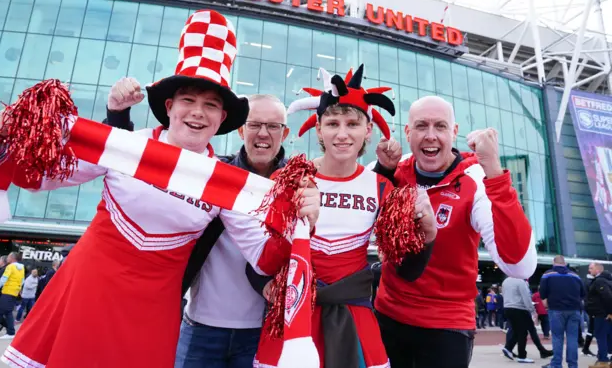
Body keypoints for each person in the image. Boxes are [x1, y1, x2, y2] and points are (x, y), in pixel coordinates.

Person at [0, 9, 320, 368]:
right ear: (169, 107)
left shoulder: (223, 180)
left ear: (222, 119)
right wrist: (12, 138)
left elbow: (264, 255)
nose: (197, 112)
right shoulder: (124, 145)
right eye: (188, 100)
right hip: (86, 293)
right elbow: (43, 178)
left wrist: (296, 214)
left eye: (210, 105)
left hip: (153, 314)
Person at [252, 64, 436, 368]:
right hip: (292, 316)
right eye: (333, 123)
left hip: (356, 318)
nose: (342, 134)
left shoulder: (382, 187)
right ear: (319, 128)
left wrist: (428, 235)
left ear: (368, 129)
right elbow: (258, 253)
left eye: (352, 124)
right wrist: (263, 282)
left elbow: (407, 270)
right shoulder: (288, 177)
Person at [106, 86, 292, 368]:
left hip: (265, 330)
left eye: (273, 126)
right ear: (241, 130)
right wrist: (118, 117)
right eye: (254, 124)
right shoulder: (213, 174)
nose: (263, 133)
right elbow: (149, 163)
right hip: (200, 326)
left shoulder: (300, 184)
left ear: (284, 133)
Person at [372, 95, 537, 368]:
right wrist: (383, 172)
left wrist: (494, 172)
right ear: (407, 132)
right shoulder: (394, 169)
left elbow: (520, 265)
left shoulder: (475, 179)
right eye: (421, 126)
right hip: (387, 317)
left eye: (441, 126)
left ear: (454, 132)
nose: (431, 136)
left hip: (446, 326)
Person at [539, 255, 586, 368]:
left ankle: (556, 364)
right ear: (565, 263)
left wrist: (546, 303)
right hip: (574, 310)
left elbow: (542, 293)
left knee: (557, 337)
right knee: (572, 338)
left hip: (556, 309)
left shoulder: (547, 274)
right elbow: (583, 293)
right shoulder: (575, 276)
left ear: (553, 262)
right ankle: (573, 365)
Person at [501, 277, 537, 363]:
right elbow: (526, 297)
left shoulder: (505, 281)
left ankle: (508, 347)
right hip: (519, 308)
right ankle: (522, 356)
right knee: (523, 332)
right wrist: (532, 310)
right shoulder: (520, 282)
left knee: (516, 331)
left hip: (507, 307)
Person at [584, 262, 612, 367]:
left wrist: (610, 312)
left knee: (601, 337)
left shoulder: (600, 281)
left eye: (591, 268)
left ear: (598, 270)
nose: (589, 271)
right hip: (604, 314)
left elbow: (608, 297)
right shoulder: (608, 281)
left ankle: (603, 361)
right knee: (608, 337)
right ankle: (605, 359)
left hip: (601, 314)